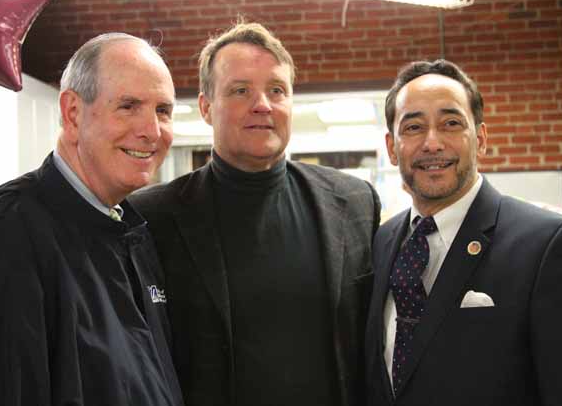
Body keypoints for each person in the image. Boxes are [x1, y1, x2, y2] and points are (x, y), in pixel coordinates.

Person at [130, 22, 381, 406]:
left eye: (277, 90)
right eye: (240, 90)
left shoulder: (355, 202)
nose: (262, 104)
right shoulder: (151, 218)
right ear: (205, 107)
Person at [0, 33, 184, 406]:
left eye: (162, 110)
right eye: (129, 106)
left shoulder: (131, 232)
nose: (152, 131)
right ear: (72, 112)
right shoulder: (7, 237)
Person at [365, 59, 562, 406]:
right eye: (414, 127)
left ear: (480, 138)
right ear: (392, 147)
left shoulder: (550, 245)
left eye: (451, 123)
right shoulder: (381, 241)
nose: (432, 143)